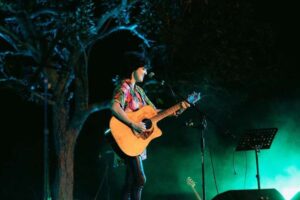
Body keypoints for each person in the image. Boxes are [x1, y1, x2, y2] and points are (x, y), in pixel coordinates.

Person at [107, 52, 189, 200]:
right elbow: (114, 107)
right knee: (140, 179)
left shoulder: (139, 91)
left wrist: (176, 109)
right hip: (125, 137)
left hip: (135, 141)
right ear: (134, 68)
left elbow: (154, 112)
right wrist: (133, 124)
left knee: (131, 180)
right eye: (143, 68)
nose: (145, 71)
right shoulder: (124, 87)